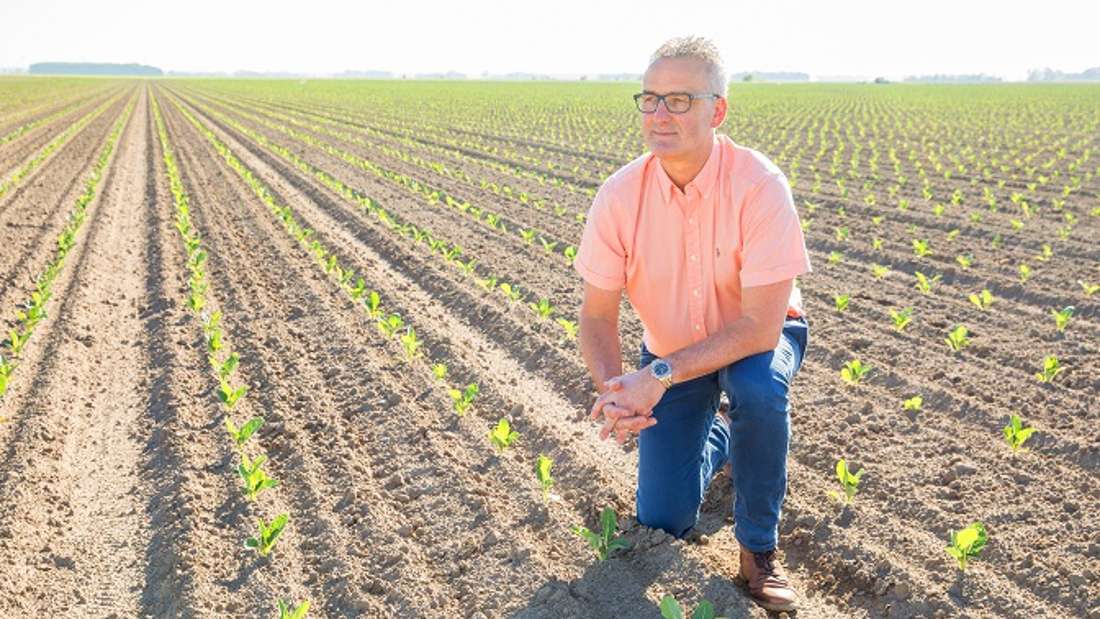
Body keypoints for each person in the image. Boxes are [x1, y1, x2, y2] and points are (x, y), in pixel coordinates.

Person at [574, 36, 811, 613]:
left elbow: (758, 328)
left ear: (717, 110)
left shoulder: (759, 185)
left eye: (680, 100)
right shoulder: (620, 195)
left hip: (757, 338)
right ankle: (722, 436)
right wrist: (617, 392)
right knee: (663, 518)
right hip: (672, 347)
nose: (660, 114)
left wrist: (657, 376)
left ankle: (758, 551)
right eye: (650, 99)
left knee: (757, 388)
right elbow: (597, 314)